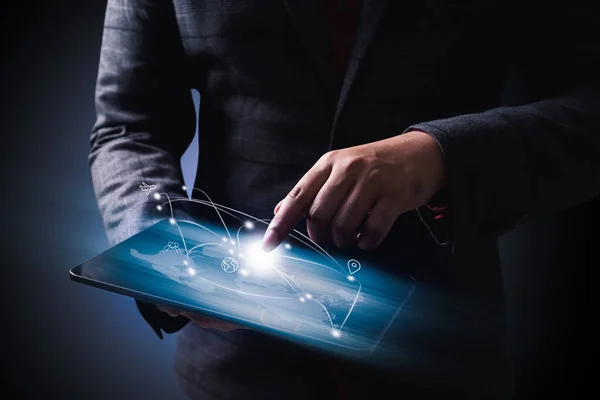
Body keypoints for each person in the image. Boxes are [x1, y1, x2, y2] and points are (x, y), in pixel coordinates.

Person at [89, 0, 599, 398]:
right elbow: (128, 126)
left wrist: (442, 154)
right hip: (237, 368)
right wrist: (158, 247)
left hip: (442, 357)